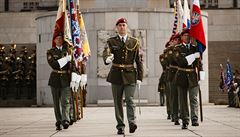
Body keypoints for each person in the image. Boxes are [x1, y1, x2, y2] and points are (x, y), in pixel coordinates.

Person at [102, 18, 143, 135]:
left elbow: (139, 61)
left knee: (130, 100)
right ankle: (120, 125)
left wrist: (140, 77)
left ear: (127, 27)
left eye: (124, 25)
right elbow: (106, 52)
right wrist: (107, 59)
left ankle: (132, 122)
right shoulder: (111, 41)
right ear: (117, 28)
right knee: (118, 102)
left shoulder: (134, 42)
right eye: (119, 25)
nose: (122, 27)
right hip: (116, 74)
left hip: (130, 74)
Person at [47, 32, 81, 130]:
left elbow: (73, 66)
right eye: (57, 38)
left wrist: (75, 78)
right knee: (56, 102)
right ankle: (58, 120)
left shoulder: (68, 51)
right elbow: (54, 65)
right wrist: (65, 59)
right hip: (55, 79)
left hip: (66, 79)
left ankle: (65, 119)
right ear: (54, 41)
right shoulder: (50, 52)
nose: (59, 40)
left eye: (61, 38)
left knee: (65, 100)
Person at [173, 29, 201, 129]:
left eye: (188, 35)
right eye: (185, 35)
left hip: (193, 76)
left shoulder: (195, 48)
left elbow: (199, 63)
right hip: (181, 75)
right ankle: (185, 120)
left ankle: (194, 118)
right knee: (183, 100)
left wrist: (201, 75)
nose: (187, 37)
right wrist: (193, 56)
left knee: (193, 98)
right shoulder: (177, 49)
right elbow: (181, 62)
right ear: (181, 37)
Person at [166, 33, 181, 125]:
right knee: (174, 96)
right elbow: (171, 60)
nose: (176, 41)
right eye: (174, 40)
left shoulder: (182, 49)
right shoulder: (170, 51)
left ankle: (182, 114)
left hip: (182, 74)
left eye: (177, 40)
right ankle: (175, 115)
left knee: (182, 97)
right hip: (173, 74)